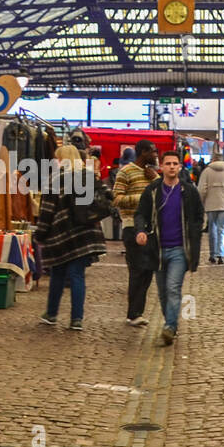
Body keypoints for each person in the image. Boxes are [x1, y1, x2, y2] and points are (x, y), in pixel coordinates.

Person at [133, 151, 204, 346]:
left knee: (173, 288)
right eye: (168, 163)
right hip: (158, 249)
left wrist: (194, 233)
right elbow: (141, 214)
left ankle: (170, 327)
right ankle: (169, 323)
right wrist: (141, 231)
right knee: (163, 291)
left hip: (180, 249)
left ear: (180, 166)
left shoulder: (188, 191)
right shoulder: (153, 191)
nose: (172, 167)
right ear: (161, 167)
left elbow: (199, 215)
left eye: (175, 164)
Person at [34, 145, 107, 330]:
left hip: (62, 235)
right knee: (77, 276)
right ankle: (77, 319)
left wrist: (40, 234)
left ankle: (51, 313)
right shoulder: (88, 177)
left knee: (58, 275)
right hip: (86, 234)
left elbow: (47, 211)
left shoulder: (55, 179)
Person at [113, 139, 158, 327]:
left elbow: (163, 192)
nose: (156, 155)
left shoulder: (152, 174)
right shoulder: (126, 172)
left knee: (148, 271)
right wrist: (143, 198)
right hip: (132, 226)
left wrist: (155, 179)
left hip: (151, 228)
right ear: (143, 152)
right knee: (137, 271)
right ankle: (133, 313)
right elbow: (117, 199)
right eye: (153, 152)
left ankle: (138, 311)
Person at [197, 156, 224, 264]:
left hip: (210, 204)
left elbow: (201, 189)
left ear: (213, 160)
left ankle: (212, 254)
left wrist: (202, 202)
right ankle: (221, 254)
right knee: (222, 230)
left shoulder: (206, 172)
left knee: (212, 230)